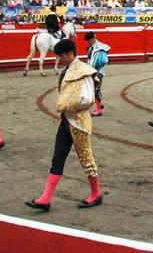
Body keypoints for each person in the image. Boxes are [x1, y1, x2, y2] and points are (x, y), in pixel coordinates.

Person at [25, 39, 102, 210]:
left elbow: (88, 98)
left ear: (69, 53)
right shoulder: (68, 69)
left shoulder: (84, 70)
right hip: (66, 120)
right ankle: (45, 198)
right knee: (57, 158)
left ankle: (96, 194)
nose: (59, 59)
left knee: (86, 159)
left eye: (60, 56)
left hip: (80, 122)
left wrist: (68, 105)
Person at [85, 32, 110, 116]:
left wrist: (96, 68)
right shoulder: (91, 47)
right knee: (92, 89)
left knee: (96, 90)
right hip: (91, 71)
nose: (88, 42)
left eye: (89, 40)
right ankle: (99, 104)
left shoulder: (100, 47)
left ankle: (98, 110)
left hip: (97, 72)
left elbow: (104, 61)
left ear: (93, 38)